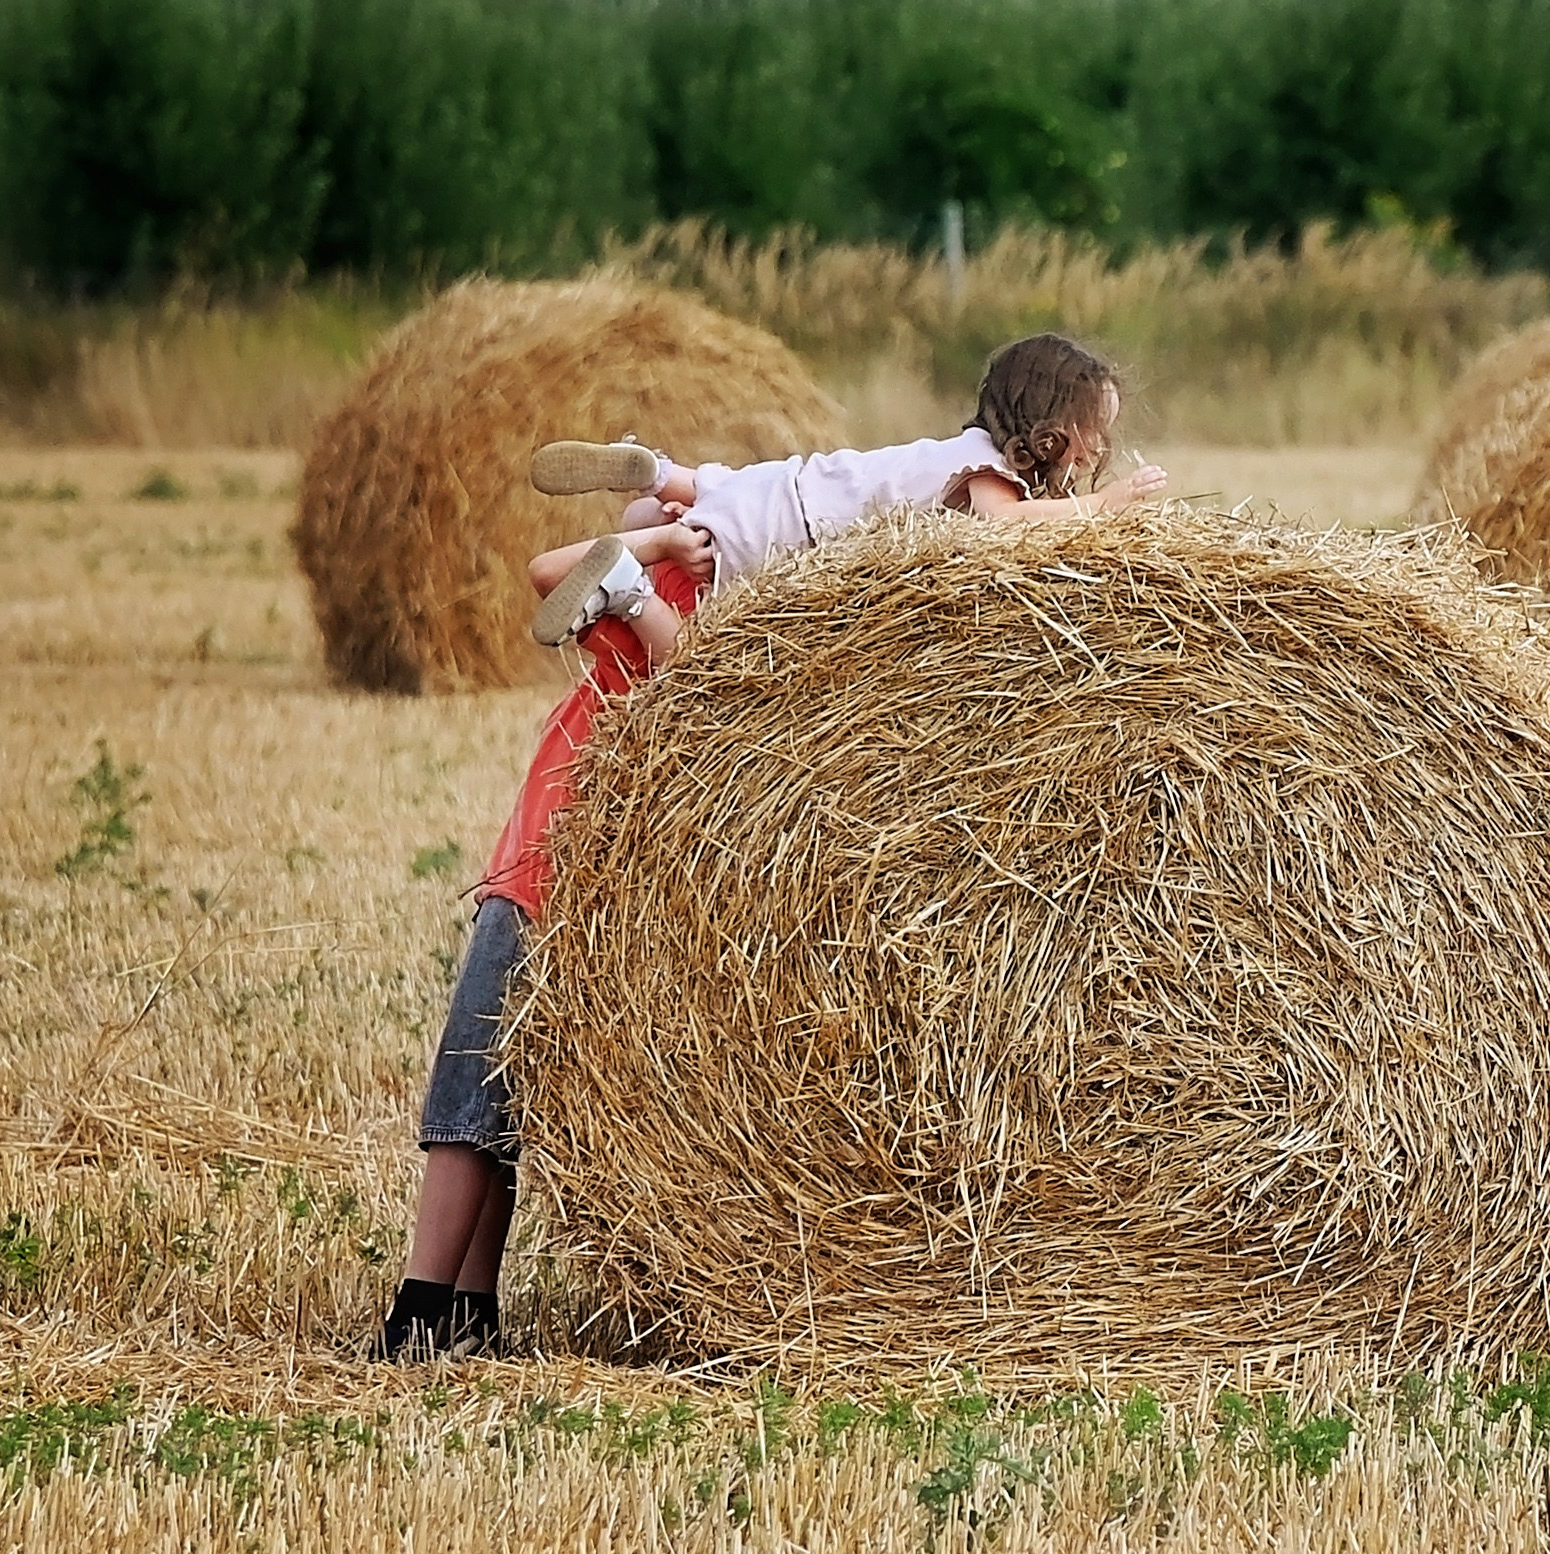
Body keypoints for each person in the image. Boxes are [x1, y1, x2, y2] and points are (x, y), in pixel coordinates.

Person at [373, 334, 1164, 1360]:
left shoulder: (678, 605)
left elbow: (556, 576)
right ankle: (426, 1312)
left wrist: (658, 537)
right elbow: (663, 644)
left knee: (497, 1095)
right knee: (479, 1091)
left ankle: (459, 1317)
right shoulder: (677, 638)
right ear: (1057, 433)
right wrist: (1103, 514)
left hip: (583, 821)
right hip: (554, 856)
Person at [522, 333, 1168, 667]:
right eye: (1094, 429)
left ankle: (656, 476)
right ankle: (632, 579)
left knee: (700, 499)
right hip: (791, 534)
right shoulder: (988, 471)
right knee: (695, 660)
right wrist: (1101, 506)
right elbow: (1005, 524)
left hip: (792, 485)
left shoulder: (955, 446)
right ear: (1048, 421)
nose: (1099, 443)